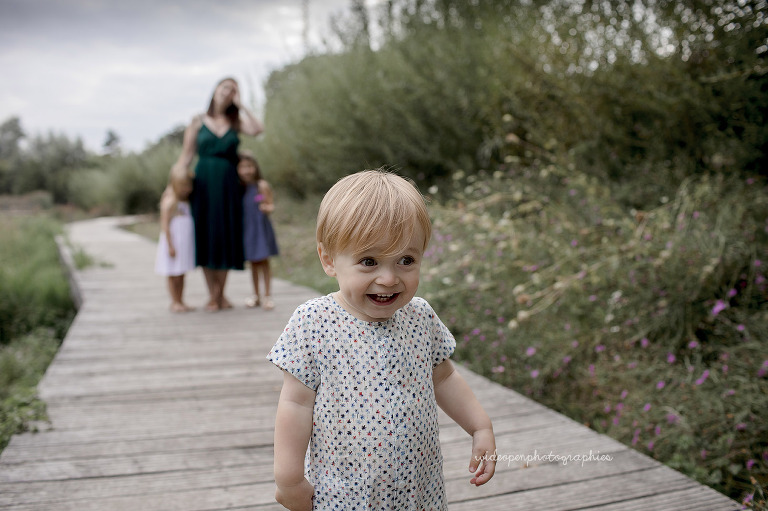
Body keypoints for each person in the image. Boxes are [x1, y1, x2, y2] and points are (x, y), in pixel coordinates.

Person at [267, 170, 496, 510]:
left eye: (406, 260)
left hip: (419, 488)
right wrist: (289, 479)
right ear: (329, 259)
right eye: (369, 261)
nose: (388, 278)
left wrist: (480, 426)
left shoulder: (419, 316)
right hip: (347, 493)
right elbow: (296, 404)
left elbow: (444, 377)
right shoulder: (313, 322)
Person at [172, 77, 264, 312]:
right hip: (203, 184)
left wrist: (241, 105)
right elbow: (186, 156)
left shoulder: (235, 122)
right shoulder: (197, 121)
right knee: (206, 236)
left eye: (233, 90)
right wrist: (171, 187)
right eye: (225, 88)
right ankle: (213, 295)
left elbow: (258, 129)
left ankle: (219, 294)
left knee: (225, 236)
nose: (228, 93)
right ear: (214, 91)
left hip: (228, 186)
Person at [238, 149, 279, 311]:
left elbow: (271, 204)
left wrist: (266, 207)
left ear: (255, 167)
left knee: (264, 261)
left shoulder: (261, 185)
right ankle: (256, 295)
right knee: (253, 263)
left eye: (249, 166)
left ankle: (268, 296)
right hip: (248, 229)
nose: (246, 170)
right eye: (242, 167)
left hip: (261, 228)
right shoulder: (240, 188)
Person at [154, 167, 196, 313]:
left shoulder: (187, 202)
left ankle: (181, 300)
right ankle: (174, 301)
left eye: (188, 185)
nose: (186, 189)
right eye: (183, 185)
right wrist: (170, 245)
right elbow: (165, 225)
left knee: (181, 273)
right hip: (173, 244)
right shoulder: (170, 201)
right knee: (172, 274)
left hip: (184, 245)